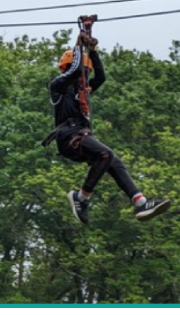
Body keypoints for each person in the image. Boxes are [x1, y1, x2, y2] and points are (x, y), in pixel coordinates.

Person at [44, 30, 171, 225]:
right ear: (68, 68)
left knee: (114, 161)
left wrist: (92, 51)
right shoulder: (58, 86)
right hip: (68, 136)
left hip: (79, 135)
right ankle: (81, 198)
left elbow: (101, 78)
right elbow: (76, 70)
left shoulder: (83, 89)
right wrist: (79, 45)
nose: (85, 76)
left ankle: (141, 202)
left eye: (88, 72)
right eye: (84, 72)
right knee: (105, 154)